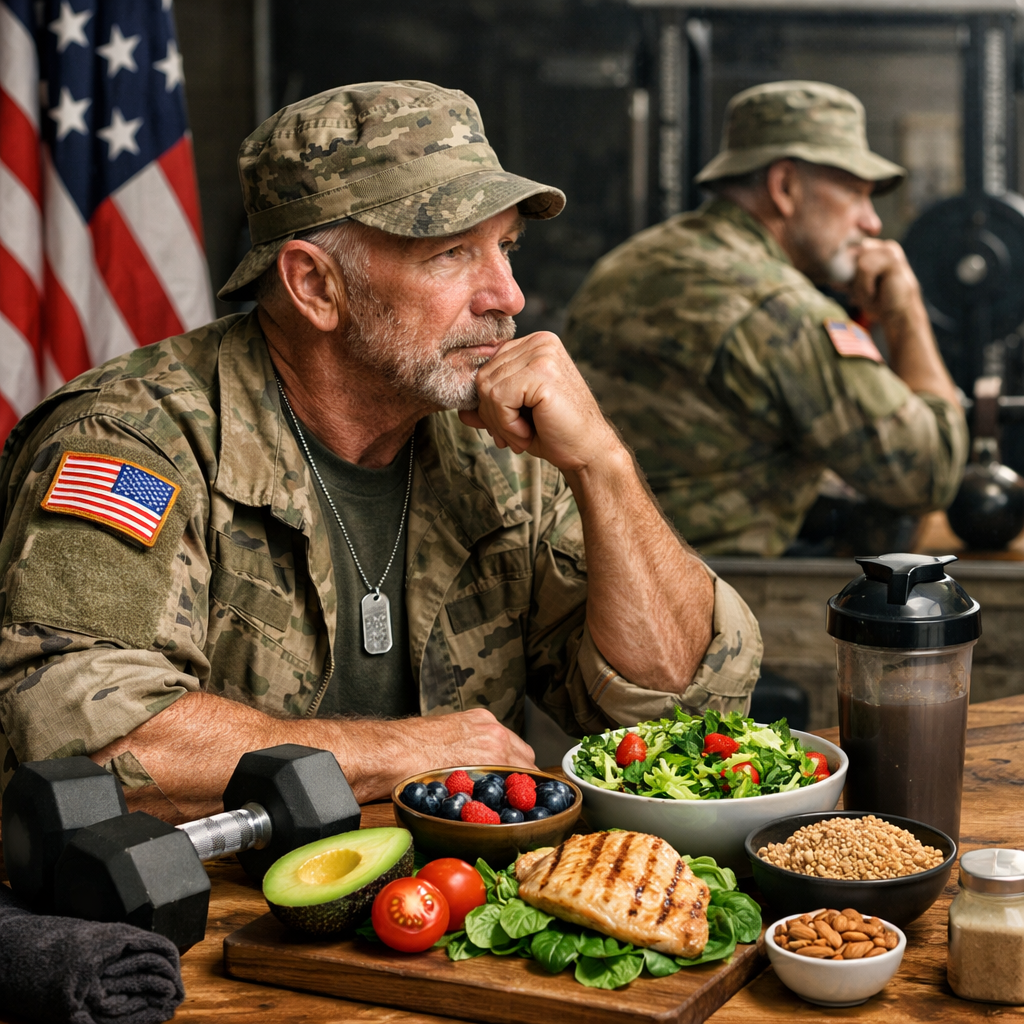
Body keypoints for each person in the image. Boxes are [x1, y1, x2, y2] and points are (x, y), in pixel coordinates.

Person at [0, 81, 761, 819]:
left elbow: (686, 712)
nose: (508, 297)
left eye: (506, 248)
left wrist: (604, 466)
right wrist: (390, 753)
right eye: (453, 254)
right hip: (199, 929)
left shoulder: (502, 450)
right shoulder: (138, 442)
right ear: (315, 286)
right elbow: (88, 742)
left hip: (447, 922)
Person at [564, 80, 968, 557]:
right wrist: (905, 311)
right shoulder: (780, 311)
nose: (872, 222)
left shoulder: (630, 261)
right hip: (714, 595)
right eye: (857, 193)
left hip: (593, 567)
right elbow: (932, 472)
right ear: (785, 187)